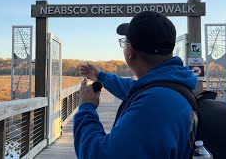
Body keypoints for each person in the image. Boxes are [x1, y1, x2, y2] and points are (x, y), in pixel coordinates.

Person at [74, 11, 198, 159]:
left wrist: (86, 108)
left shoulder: (155, 103)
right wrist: (100, 76)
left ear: (130, 51)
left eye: (124, 43)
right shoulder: (170, 84)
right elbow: (131, 88)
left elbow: (99, 154)